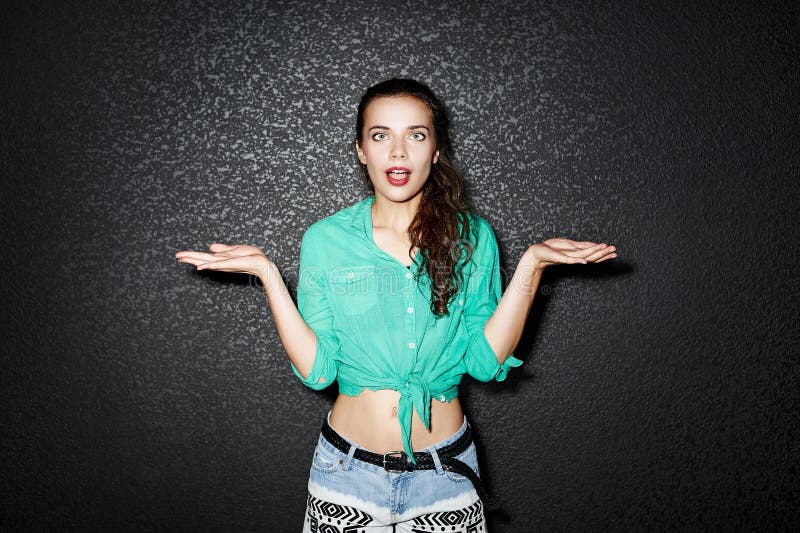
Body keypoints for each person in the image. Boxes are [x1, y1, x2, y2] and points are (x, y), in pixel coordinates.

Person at [176, 78, 617, 531]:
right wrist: (269, 275)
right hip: (344, 477)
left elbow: (485, 363)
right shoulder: (325, 240)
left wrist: (533, 264)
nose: (399, 152)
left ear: (436, 150)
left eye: (417, 135)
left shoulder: (473, 238)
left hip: (445, 478)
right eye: (381, 135)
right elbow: (319, 371)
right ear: (362, 149)